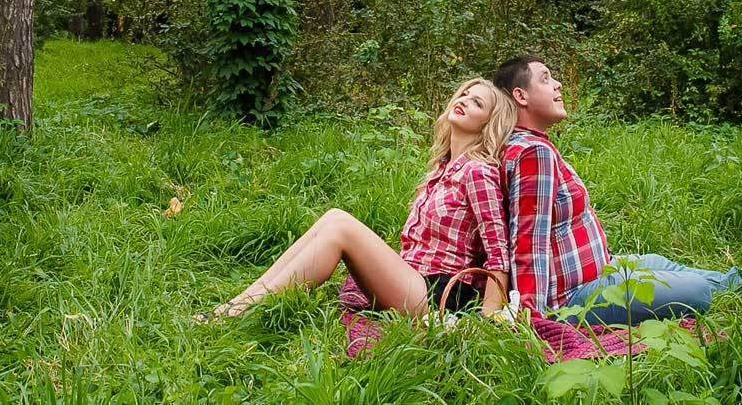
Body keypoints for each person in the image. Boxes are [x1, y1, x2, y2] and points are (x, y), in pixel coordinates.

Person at [204, 77, 516, 319]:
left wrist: (488, 322)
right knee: (333, 218)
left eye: (477, 103)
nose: (464, 101)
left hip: (441, 296)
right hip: (414, 277)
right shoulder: (442, 168)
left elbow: (498, 254)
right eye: (463, 94)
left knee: (341, 226)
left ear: (487, 123)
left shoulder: (478, 172)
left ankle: (236, 312)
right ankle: (239, 305)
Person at [492, 55, 742, 326]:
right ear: (520, 96)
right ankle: (735, 285)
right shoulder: (534, 153)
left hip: (601, 266)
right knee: (696, 291)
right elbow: (529, 240)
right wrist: (535, 315)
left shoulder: (529, 144)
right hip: (573, 296)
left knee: (659, 262)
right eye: (545, 78)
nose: (558, 84)